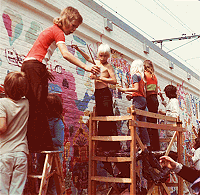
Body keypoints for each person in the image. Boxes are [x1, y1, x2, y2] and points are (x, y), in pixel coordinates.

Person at [21, 6, 100, 152]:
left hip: (31, 66)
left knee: (34, 104)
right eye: (73, 25)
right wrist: (85, 66)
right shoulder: (58, 32)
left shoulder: (51, 29)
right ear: (66, 20)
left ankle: (33, 141)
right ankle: (39, 143)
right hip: (34, 67)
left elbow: (38, 52)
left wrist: (44, 71)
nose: (74, 29)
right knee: (39, 106)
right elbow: (65, 53)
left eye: (76, 27)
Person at [0, 71, 29, 194]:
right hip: (21, 153)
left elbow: (2, 128)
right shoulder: (26, 103)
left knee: (3, 190)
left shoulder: (2, 103)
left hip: (5, 153)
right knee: (16, 191)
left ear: (6, 87)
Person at [118, 59, 150, 148]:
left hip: (138, 101)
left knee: (134, 123)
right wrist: (132, 96)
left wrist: (124, 89)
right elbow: (140, 91)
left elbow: (136, 88)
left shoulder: (135, 76)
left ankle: (135, 145)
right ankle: (145, 144)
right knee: (142, 124)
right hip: (143, 100)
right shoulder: (143, 77)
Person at [46, 93, 65, 194]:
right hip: (45, 156)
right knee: (45, 182)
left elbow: (59, 140)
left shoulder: (57, 122)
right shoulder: (46, 120)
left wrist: (45, 139)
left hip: (55, 157)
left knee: (53, 182)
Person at [158, 85, 179, 157]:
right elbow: (168, 106)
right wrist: (161, 98)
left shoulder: (174, 101)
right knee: (170, 147)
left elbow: (176, 115)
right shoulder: (172, 101)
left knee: (173, 148)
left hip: (172, 128)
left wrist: (165, 113)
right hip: (170, 128)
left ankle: (174, 163)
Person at [144, 60, 160, 151]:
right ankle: (156, 146)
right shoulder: (154, 76)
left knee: (148, 123)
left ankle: (150, 146)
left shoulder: (145, 75)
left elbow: (145, 89)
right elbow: (156, 91)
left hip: (149, 98)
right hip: (155, 99)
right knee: (154, 123)